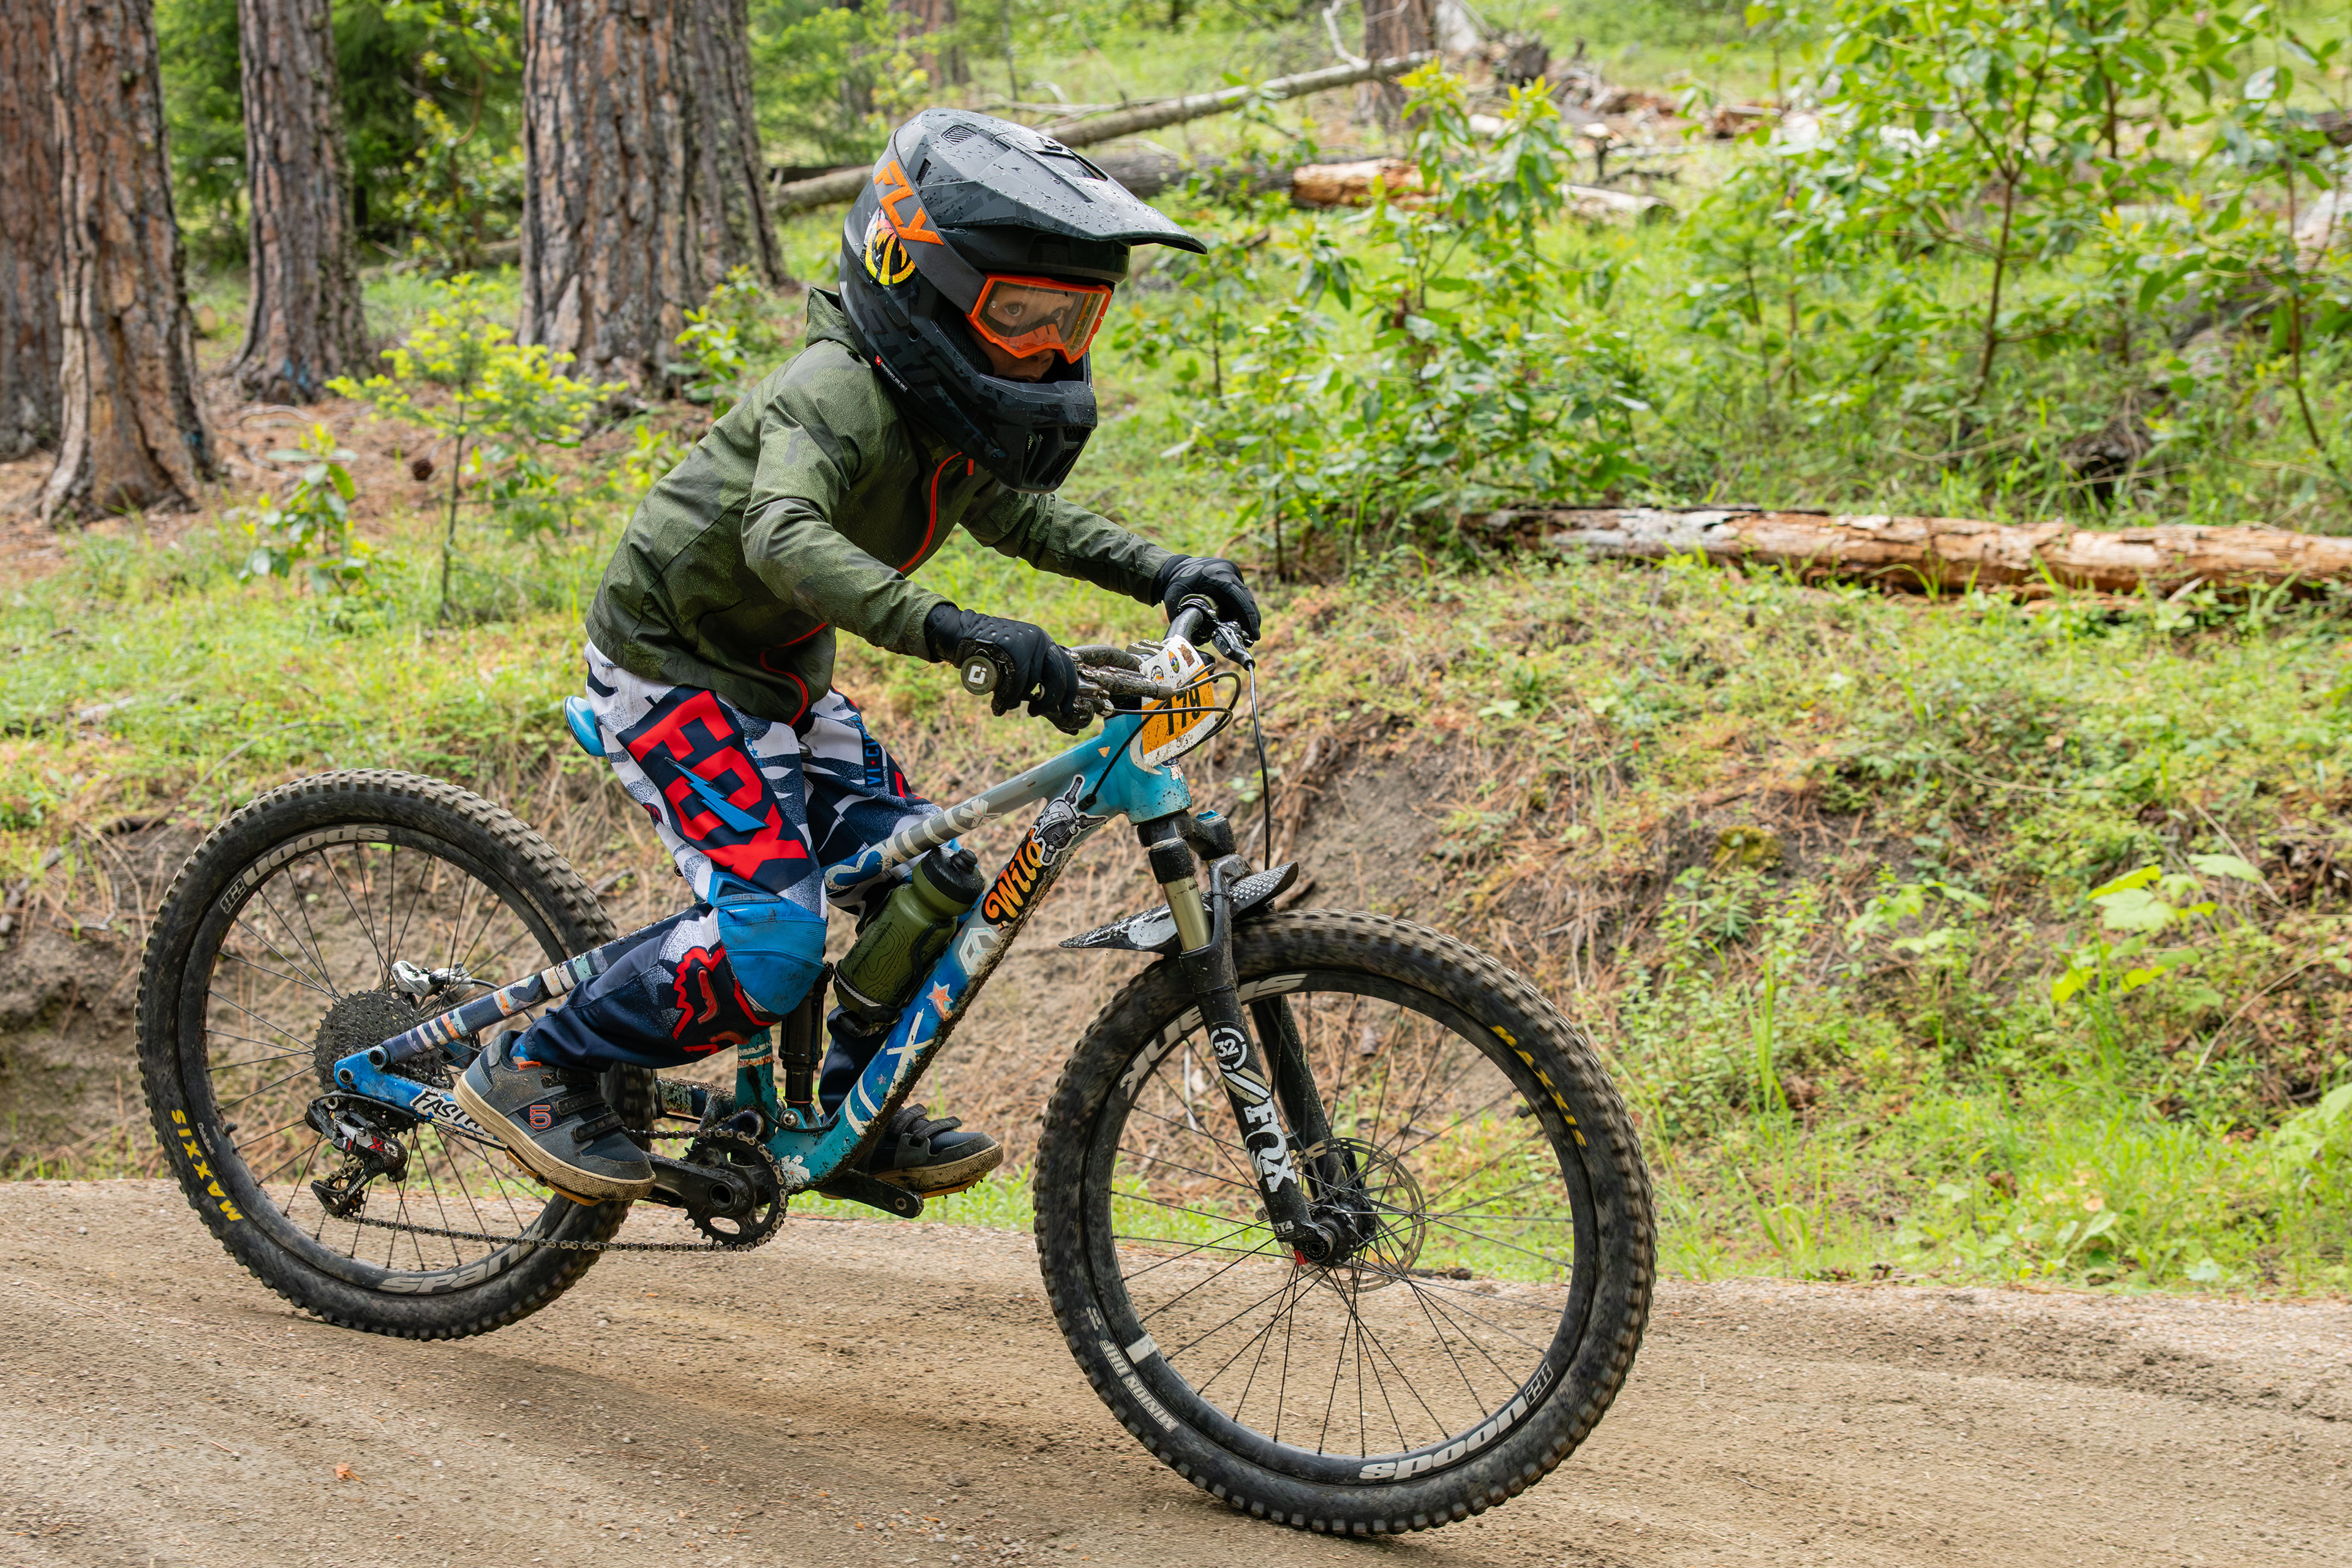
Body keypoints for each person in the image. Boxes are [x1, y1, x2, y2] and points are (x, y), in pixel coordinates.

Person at [454, 108, 1260, 1205]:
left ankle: (850, 1116)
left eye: (1070, 320)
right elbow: (781, 536)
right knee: (772, 947)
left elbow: (1021, 518)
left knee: (933, 882)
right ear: (915, 278)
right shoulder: (836, 390)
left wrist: (1166, 571)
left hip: (781, 677)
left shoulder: (940, 407)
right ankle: (536, 1063)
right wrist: (955, 629)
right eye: (1018, 314)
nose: (1047, 349)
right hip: (672, 670)